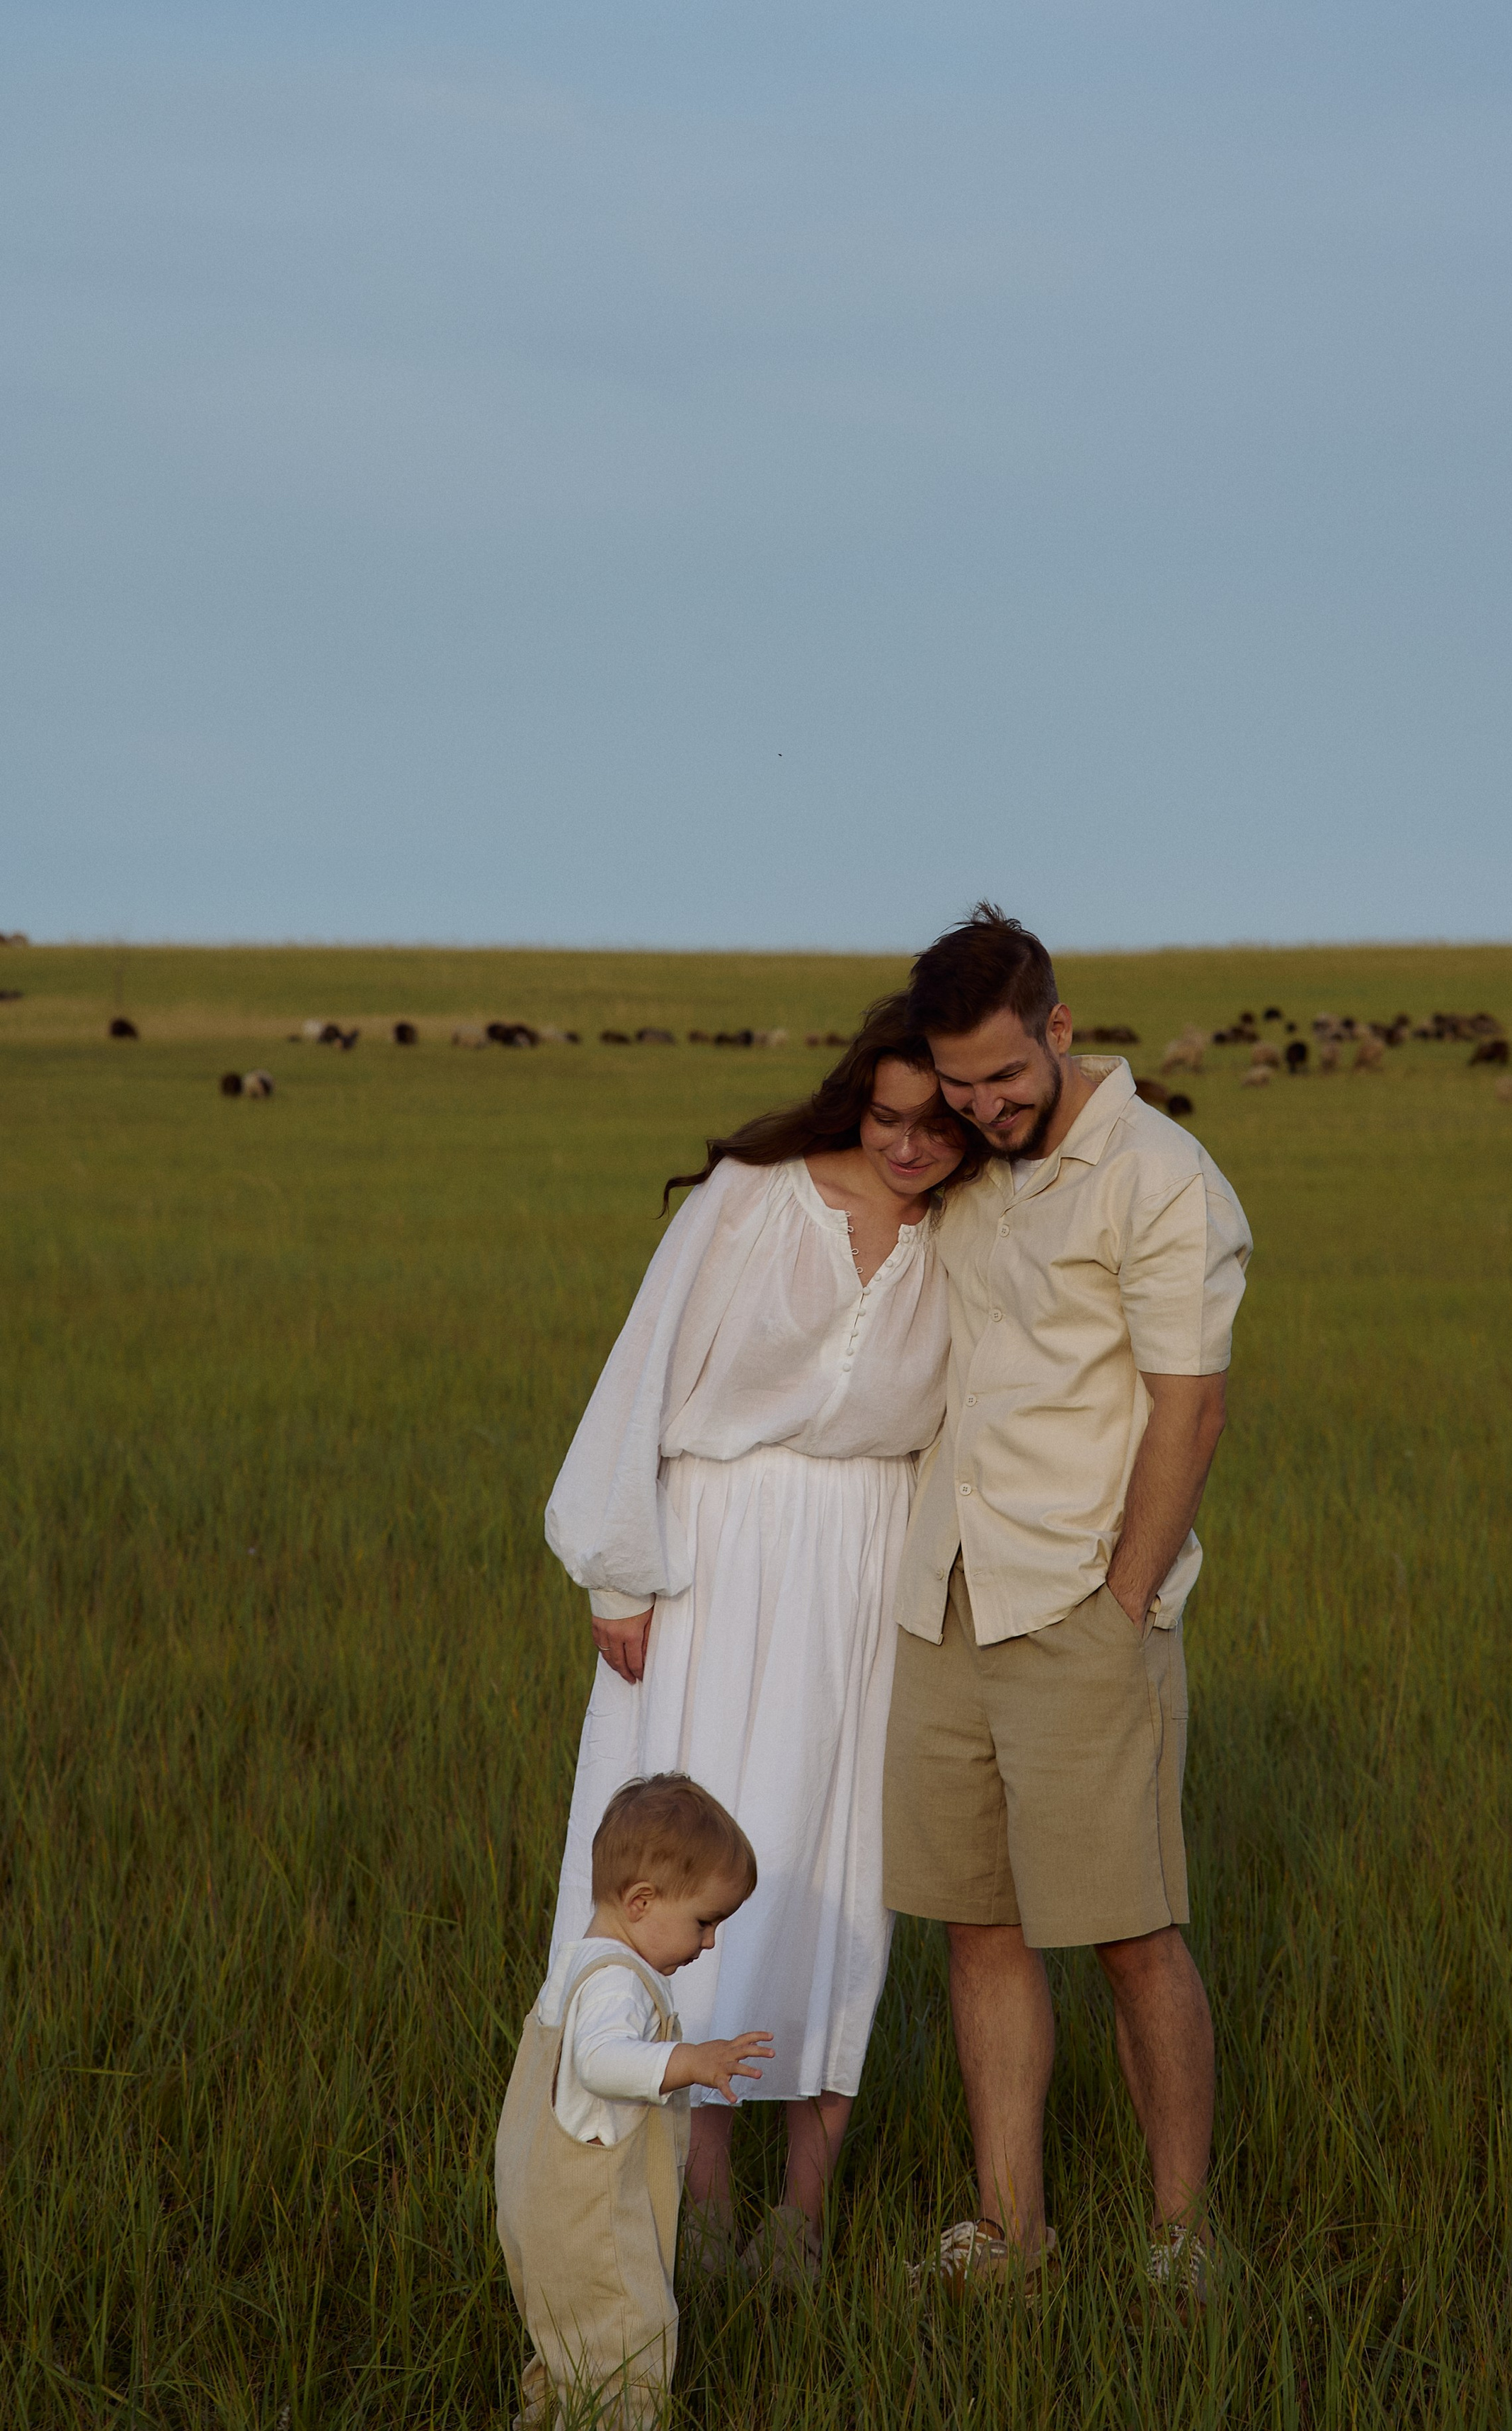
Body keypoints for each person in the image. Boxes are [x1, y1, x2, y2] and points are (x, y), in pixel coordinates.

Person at [542, 995, 982, 2287]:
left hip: (865, 1567)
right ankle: (702, 2196)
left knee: (833, 1865)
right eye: (888, 1115)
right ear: (856, 1093)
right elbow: (645, 1363)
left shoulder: (972, 1231)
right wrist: (618, 1567)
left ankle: (806, 2211)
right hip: (716, 1556)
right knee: (700, 1866)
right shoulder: (750, 1192)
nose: (908, 1147)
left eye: (939, 1125)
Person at [882, 905, 1252, 2299]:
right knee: (975, 1923)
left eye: (1003, 1075)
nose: (981, 1105)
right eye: (956, 1081)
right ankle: (1008, 2231)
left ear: (1058, 1026)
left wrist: (1122, 1598)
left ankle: (1177, 2241)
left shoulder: (1160, 1175)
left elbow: (1191, 1406)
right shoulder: (969, 1163)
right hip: (943, 1595)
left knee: (1127, 1927)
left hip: (1079, 1607)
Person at [496, 1774, 769, 2429]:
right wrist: (691, 2061)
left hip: (540, 2211)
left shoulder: (578, 1962)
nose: (708, 1944)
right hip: (593, 2225)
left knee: (571, 2346)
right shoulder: (619, 1984)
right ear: (642, 1901)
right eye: (705, 1922)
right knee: (629, 2346)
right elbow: (599, 2061)